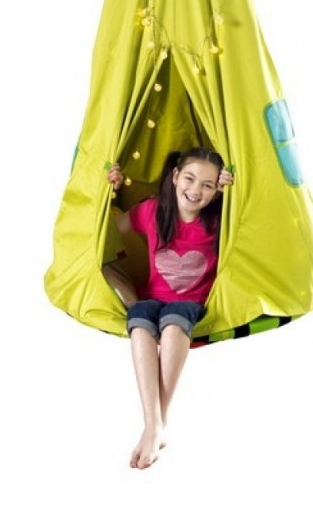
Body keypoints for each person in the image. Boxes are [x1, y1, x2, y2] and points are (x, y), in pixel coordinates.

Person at [104, 147, 234, 469]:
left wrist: (236, 190)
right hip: (151, 299)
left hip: (191, 305)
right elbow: (111, 229)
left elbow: (253, 219)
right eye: (189, 178)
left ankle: (155, 425)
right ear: (175, 177)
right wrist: (110, 191)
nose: (195, 190)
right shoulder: (151, 212)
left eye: (207, 185)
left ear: (216, 190)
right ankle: (155, 425)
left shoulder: (221, 221)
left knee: (173, 322)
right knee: (139, 321)